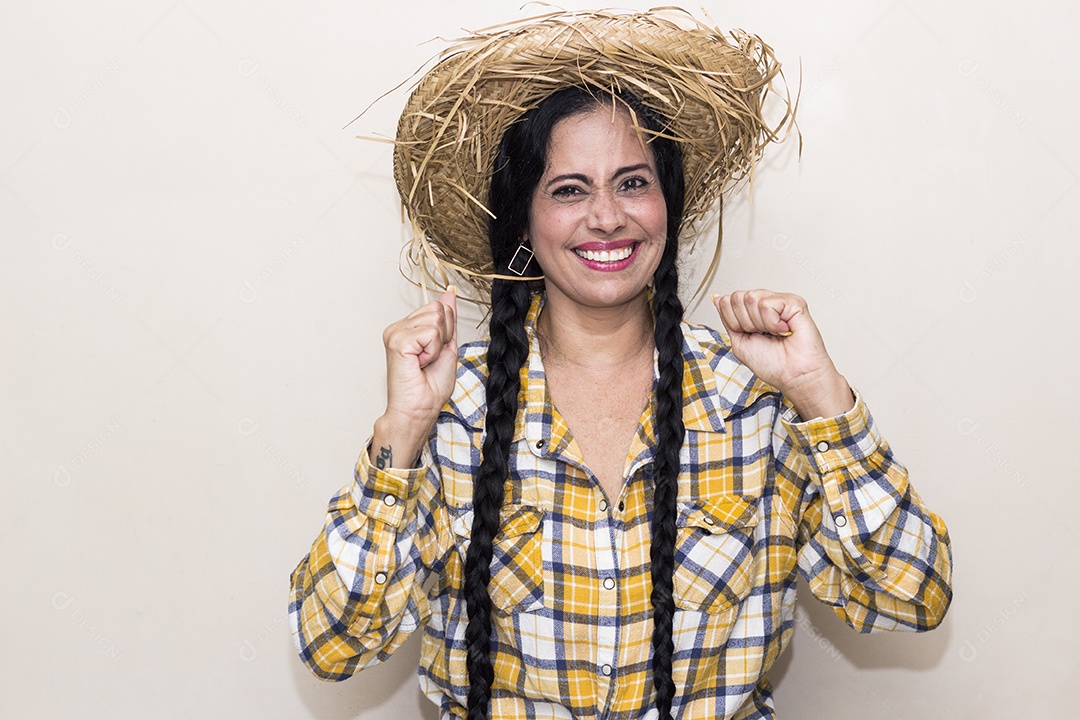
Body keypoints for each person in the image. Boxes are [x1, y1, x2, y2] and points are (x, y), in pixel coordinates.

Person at [289, 9, 952, 720]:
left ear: (668, 206)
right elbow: (334, 646)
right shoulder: (454, 411)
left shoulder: (755, 400)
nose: (607, 217)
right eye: (569, 189)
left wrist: (825, 399)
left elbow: (910, 598)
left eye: (633, 183)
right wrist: (403, 431)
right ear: (522, 223)